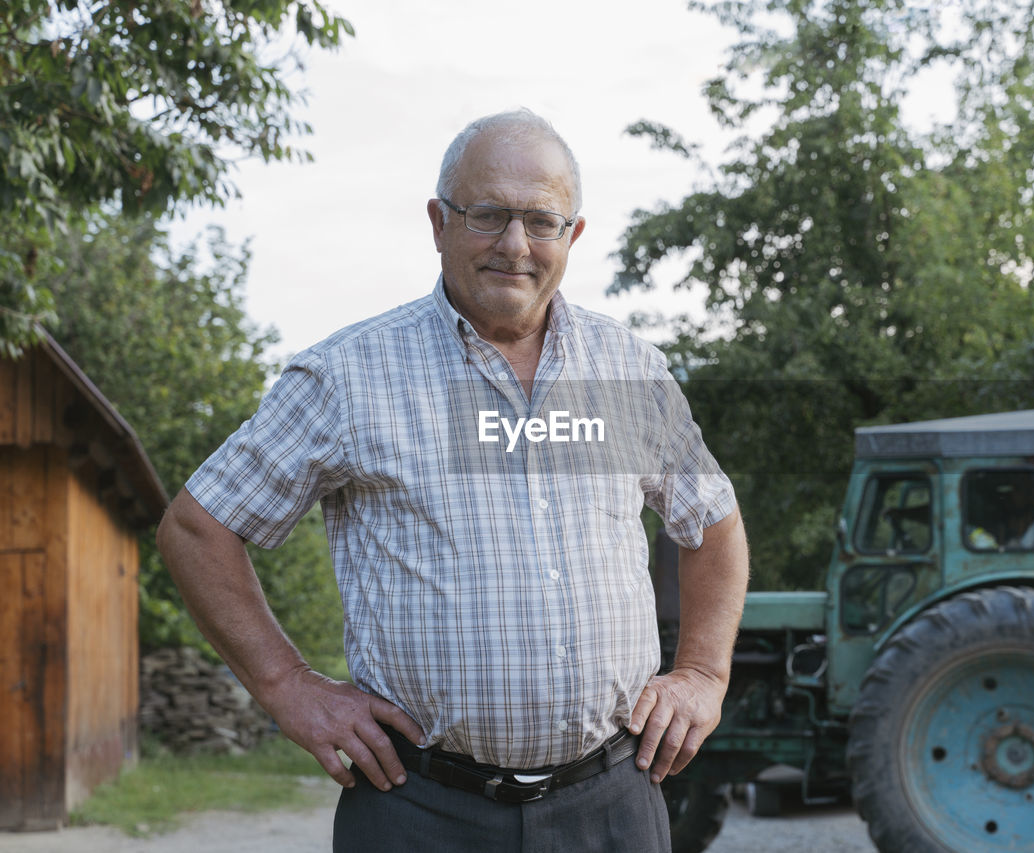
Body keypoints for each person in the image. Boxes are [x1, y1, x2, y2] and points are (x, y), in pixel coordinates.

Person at [155, 109, 750, 852]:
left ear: (574, 235)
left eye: (541, 221)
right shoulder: (350, 376)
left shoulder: (627, 369)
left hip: (610, 805)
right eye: (488, 215)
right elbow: (197, 525)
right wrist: (286, 683)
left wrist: (701, 671)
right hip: (419, 810)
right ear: (439, 222)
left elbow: (714, 523)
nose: (514, 244)